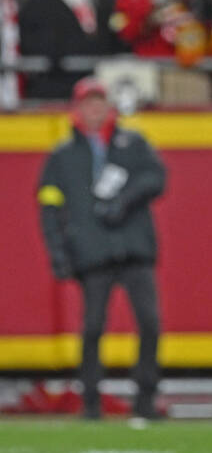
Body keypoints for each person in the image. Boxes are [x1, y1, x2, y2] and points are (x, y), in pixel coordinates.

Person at [37, 78, 165, 420]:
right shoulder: (63, 155)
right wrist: (59, 253)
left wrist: (123, 201)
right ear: (76, 109)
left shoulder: (131, 143)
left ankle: (145, 400)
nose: (95, 110)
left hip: (134, 248)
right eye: (88, 104)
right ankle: (90, 401)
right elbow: (49, 208)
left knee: (149, 323)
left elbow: (156, 177)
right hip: (92, 251)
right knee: (92, 326)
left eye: (99, 103)